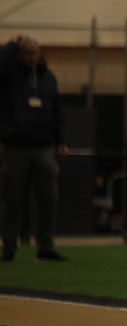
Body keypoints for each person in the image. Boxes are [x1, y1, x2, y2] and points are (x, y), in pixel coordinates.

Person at [0, 36, 69, 263]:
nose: (32, 58)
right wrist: (11, 45)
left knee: (48, 200)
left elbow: (57, 110)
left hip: (44, 147)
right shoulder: (9, 74)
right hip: (15, 147)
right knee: (11, 200)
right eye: (27, 53)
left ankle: (45, 246)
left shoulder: (48, 77)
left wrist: (61, 139)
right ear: (19, 55)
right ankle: (9, 247)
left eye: (35, 53)